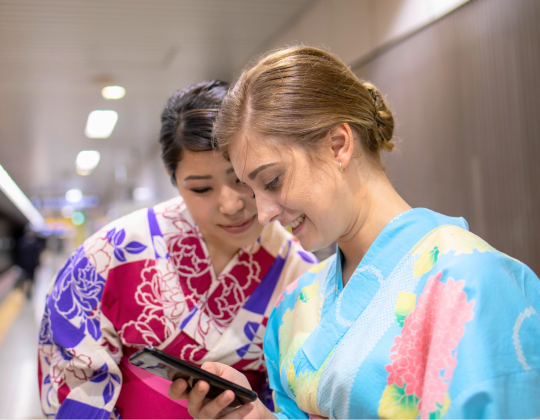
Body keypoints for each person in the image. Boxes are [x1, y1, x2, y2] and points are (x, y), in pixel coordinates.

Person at [168, 47, 540, 419]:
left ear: (338, 145)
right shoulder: (295, 306)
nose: (264, 213)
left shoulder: (473, 281)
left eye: (273, 180)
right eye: (254, 191)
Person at [37, 80, 318, 419]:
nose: (230, 205)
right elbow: (71, 376)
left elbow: (302, 399)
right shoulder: (109, 255)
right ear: (173, 178)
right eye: (201, 189)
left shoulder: (301, 274)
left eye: (241, 180)